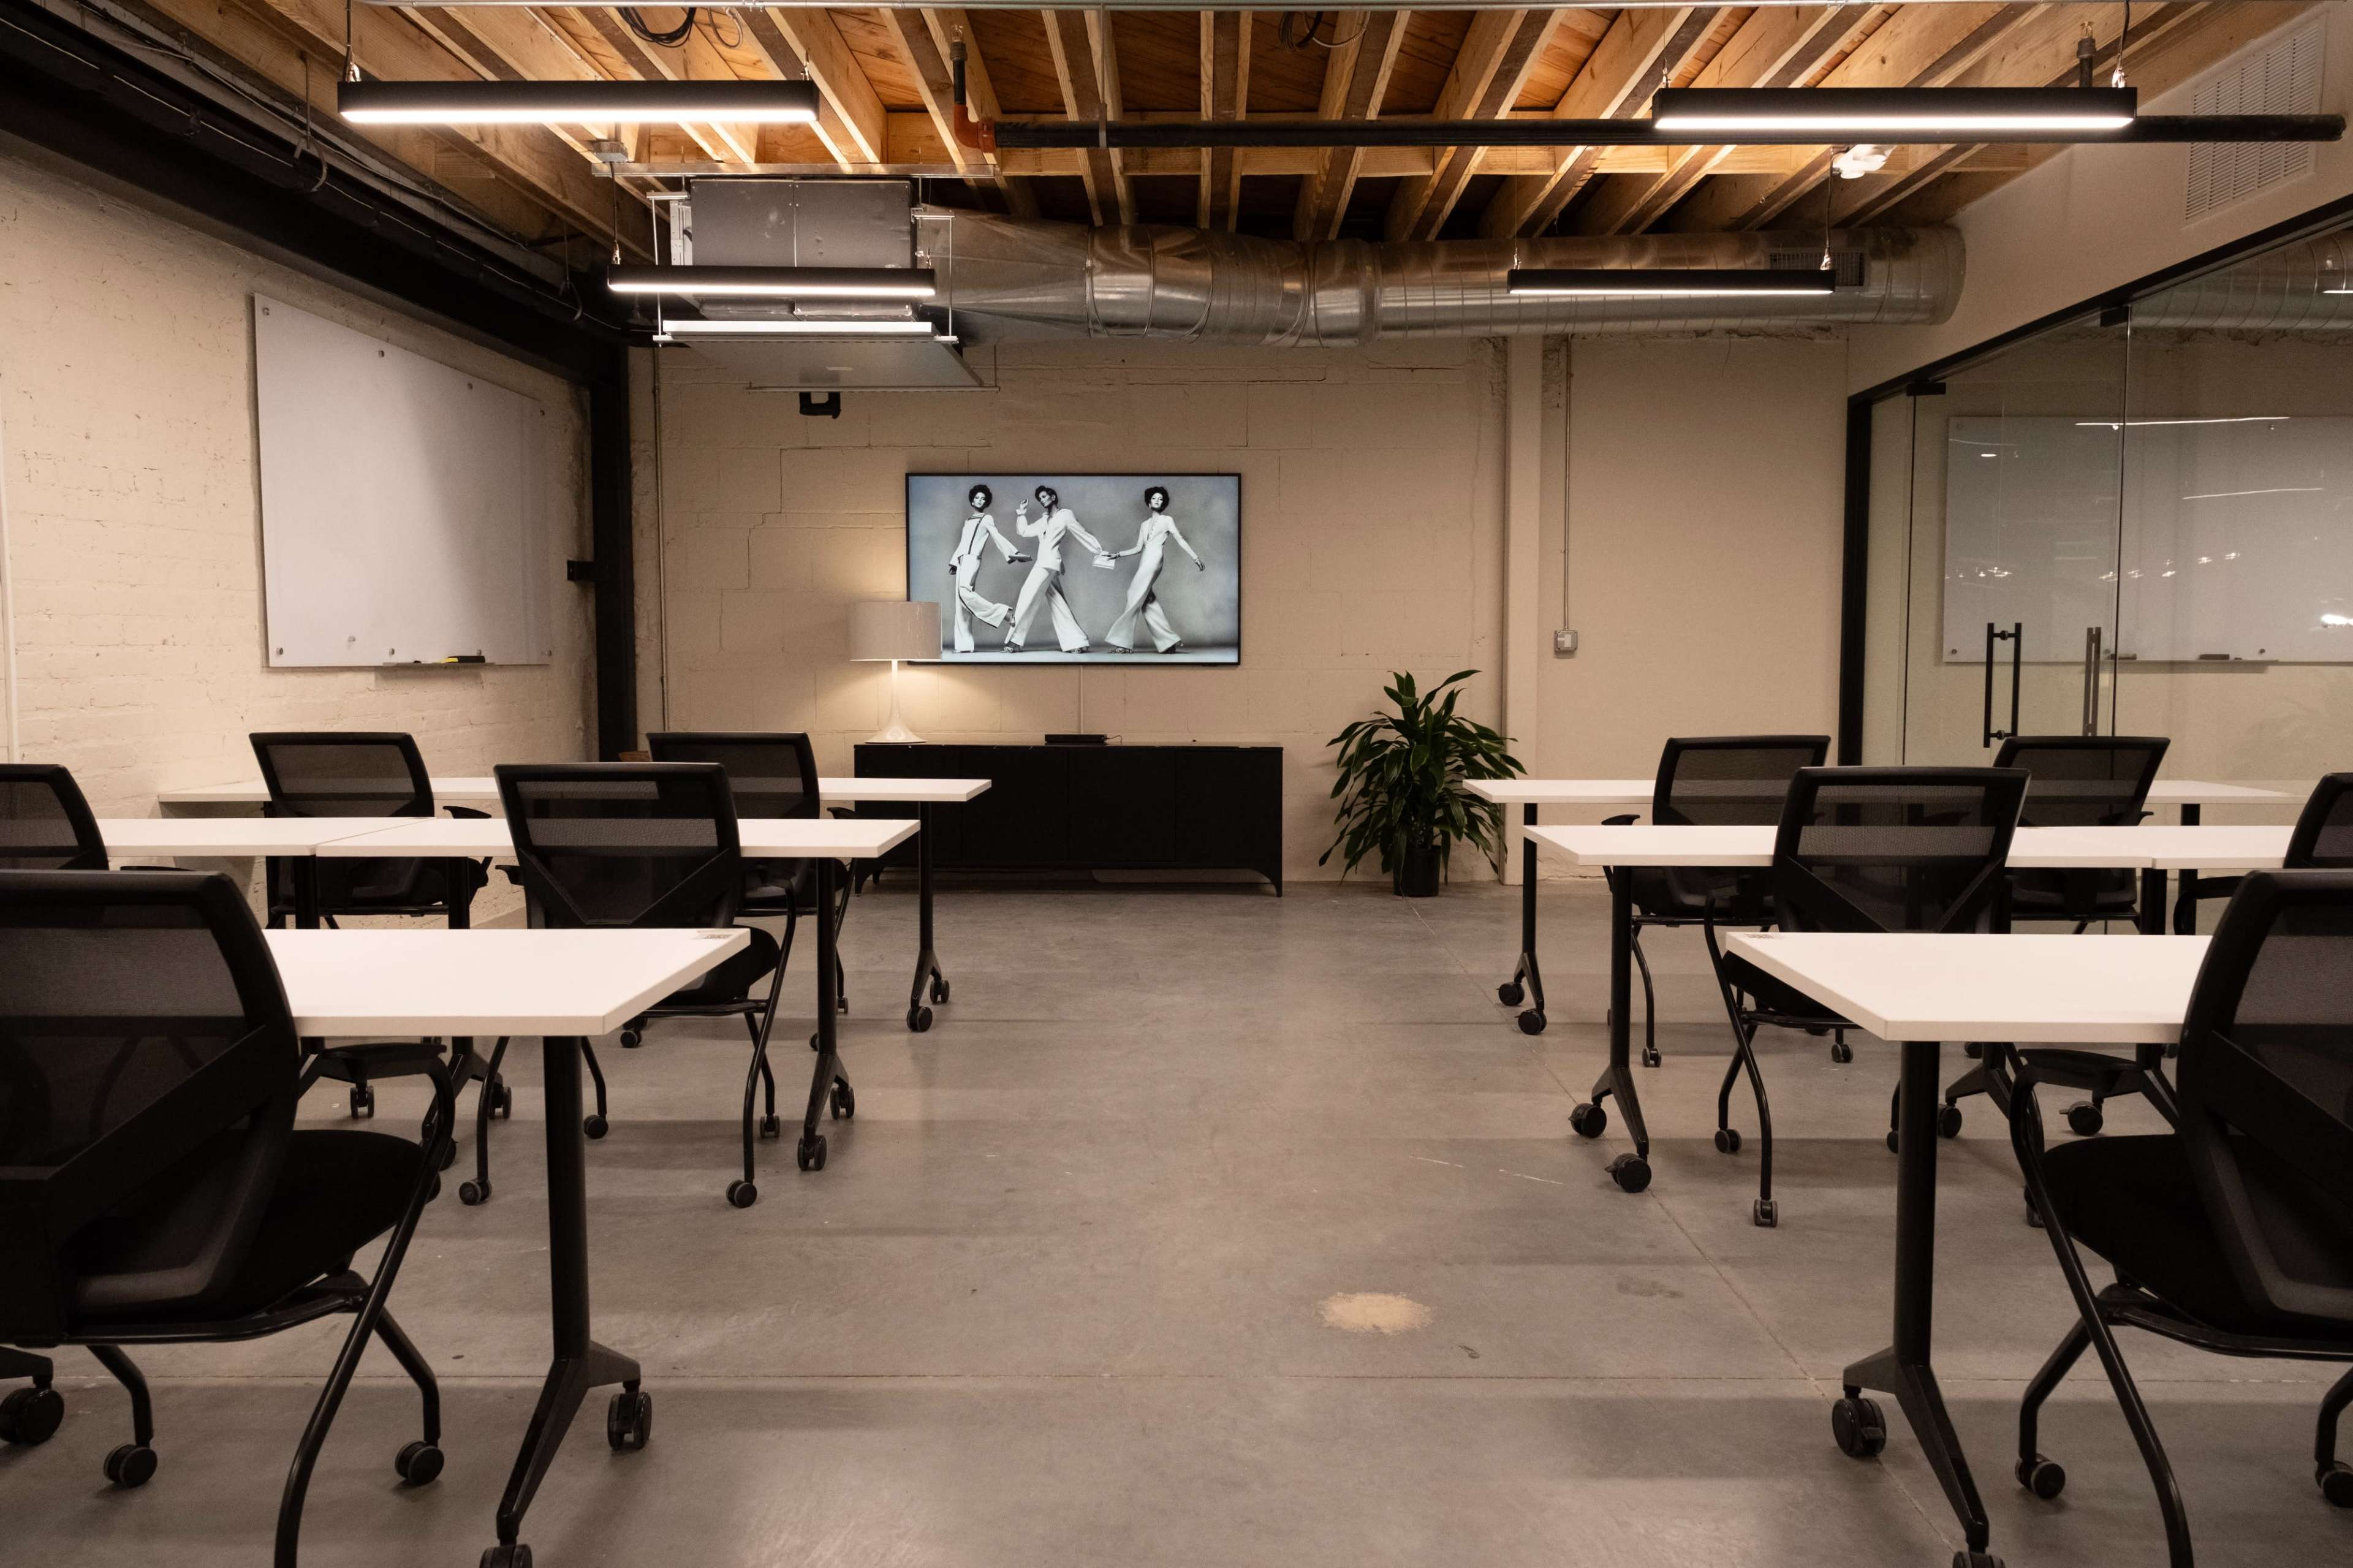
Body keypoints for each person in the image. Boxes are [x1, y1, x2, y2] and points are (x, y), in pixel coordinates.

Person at [1005, 485, 1107, 654]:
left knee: (1027, 595)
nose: (1043, 500)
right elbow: (1023, 531)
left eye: (1045, 497)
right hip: (1044, 563)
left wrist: (1100, 551)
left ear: (1053, 497)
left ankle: (1014, 641)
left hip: (1049, 563)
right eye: (1040, 499)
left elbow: (1081, 533)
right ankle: (1077, 642)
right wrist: (1021, 514)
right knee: (1057, 602)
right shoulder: (1043, 520)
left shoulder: (1065, 515)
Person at [1104, 485, 1205, 654]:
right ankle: (1168, 642)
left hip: (1155, 560)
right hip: (1145, 560)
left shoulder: (1167, 520)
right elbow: (1138, 548)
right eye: (1154, 498)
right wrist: (1117, 555)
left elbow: (1180, 539)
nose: (1158, 500)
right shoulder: (1144, 524)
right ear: (1149, 503)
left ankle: (1123, 644)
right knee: (1147, 601)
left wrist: (1195, 557)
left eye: (1160, 499)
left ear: (1163, 503)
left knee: (1133, 595)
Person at [945, 484, 1028, 653]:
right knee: (961, 605)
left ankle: (1004, 613)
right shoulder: (968, 521)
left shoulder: (987, 519)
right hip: (962, 561)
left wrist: (1013, 553)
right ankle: (964, 646)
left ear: (986, 502)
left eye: (983, 498)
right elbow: (963, 542)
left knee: (964, 594)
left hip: (972, 560)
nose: (980, 500)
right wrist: (954, 562)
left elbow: (997, 536)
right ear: (972, 500)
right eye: (977, 498)